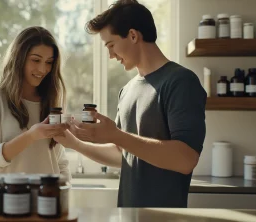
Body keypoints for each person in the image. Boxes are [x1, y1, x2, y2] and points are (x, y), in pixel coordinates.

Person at [54, 0, 206, 207]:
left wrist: (116, 135)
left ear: (133, 35)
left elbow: (185, 160)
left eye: (111, 45)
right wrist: (74, 143)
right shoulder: (127, 90)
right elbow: (123, 155)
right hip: (127, 214)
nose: (110, 55)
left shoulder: (181, 82)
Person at [0, 26, 71, 181]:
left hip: (47, 200)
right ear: (19, 58)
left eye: (49, 62)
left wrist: (61, 193)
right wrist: (31, 135)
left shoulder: (50, 102)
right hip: (6, 200)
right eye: (36, 60)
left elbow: (59, 161)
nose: (43, 69)